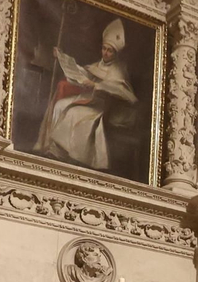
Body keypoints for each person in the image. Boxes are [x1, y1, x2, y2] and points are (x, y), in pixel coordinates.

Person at [33, 17, 137, 171]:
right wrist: (62, 57)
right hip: (87, 99)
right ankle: (53, 148)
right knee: (60, 105)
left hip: (100, 107)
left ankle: (71, 156)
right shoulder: (98, 64)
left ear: (115, 53)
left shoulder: (119, 70)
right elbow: (82, 73)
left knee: (74, 114)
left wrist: (97, 85)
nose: (106, 53)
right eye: (104, 49)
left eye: (110, 51)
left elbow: (122, 91)